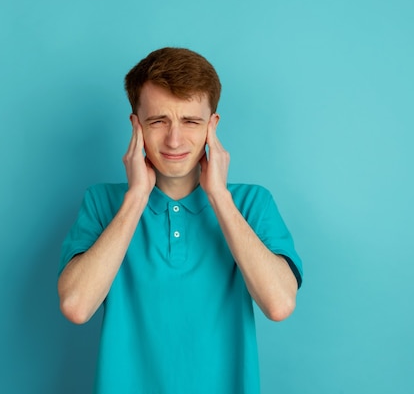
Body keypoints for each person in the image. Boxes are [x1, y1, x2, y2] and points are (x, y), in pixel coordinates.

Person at [57, 47, 303, 394]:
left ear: (212, 126)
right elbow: (76, 306)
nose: (174, 140)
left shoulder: (252, 203)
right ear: (136, 125)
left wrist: (218, 196)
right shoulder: (103, 202)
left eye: (191, 121)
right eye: (159, 121)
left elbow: (279, 304)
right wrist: (137, 197)